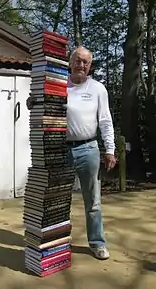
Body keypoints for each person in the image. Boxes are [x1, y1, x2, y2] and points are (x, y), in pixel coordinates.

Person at [27, 46, 116, 260]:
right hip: (59, 148)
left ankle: (97, 242)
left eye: (86, 62)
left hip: (89, 149)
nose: (81, 65)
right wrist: (34, 102)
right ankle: (56, 244)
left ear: (90, 66)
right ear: (70, 62)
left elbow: (105, 121)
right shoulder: (57, 85)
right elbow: (41, 105)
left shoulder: (97, 89)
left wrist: (110, 150)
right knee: (56, 199)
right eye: (78, 60)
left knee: (92, 200)